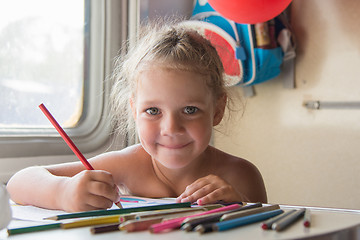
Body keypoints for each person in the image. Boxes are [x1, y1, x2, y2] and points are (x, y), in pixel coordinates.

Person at [7, 20, 267, 212]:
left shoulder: (241, 176)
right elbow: (19, 182)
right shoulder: (127, 166)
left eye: (190, 110)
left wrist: (240, 206)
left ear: (218, 110)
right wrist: (63, 193)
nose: (171, 127)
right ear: (134, 110)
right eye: (153, 111)